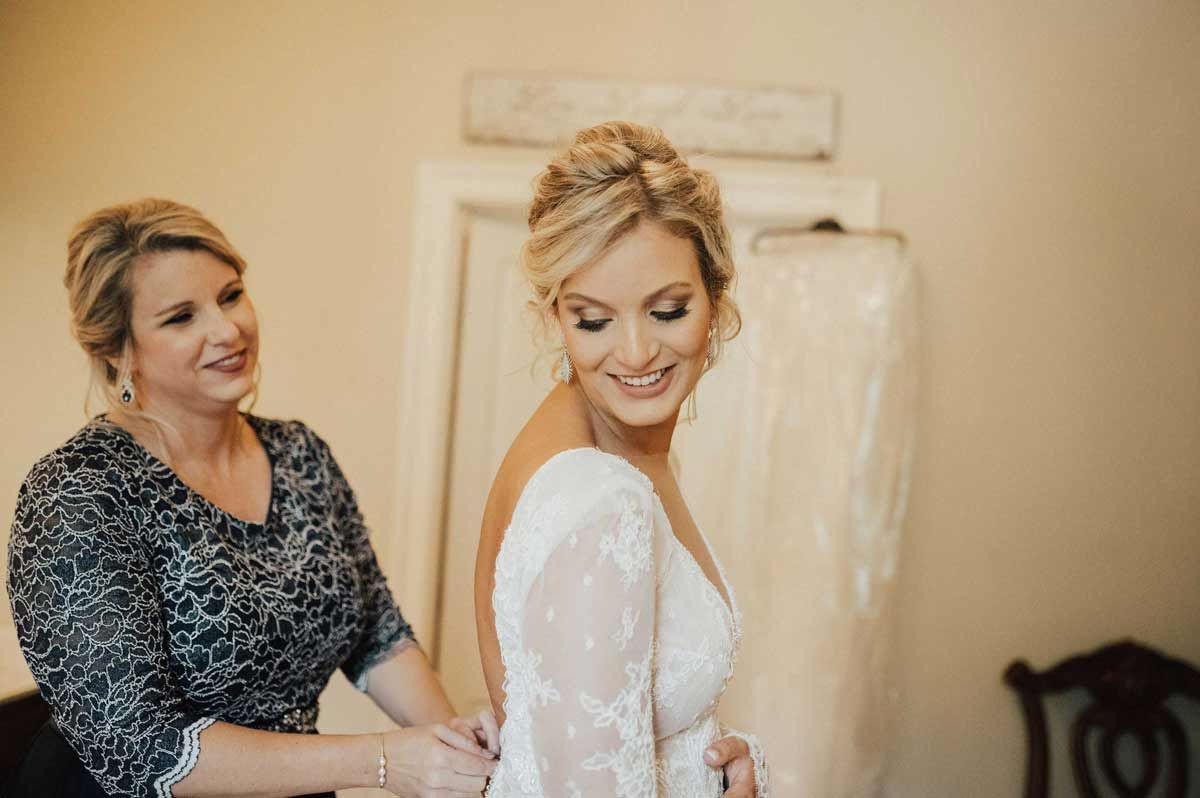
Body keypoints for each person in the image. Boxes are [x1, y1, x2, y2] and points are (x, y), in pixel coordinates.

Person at [6, 199, 498, 797]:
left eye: (231, 295)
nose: (226, 330)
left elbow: (375, 633)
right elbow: (144, 750)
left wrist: (458, 749)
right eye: (181, 317)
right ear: (118, 350)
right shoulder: (78, 492)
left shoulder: (299, 453)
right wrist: (385, 761)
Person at [473, 121, 769, 797]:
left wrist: (717, 762)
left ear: (716, 299)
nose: (635, 354)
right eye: (594, 320)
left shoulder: (620, 450)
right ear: (555, 319)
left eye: (667, 311)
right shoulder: (595, 494)